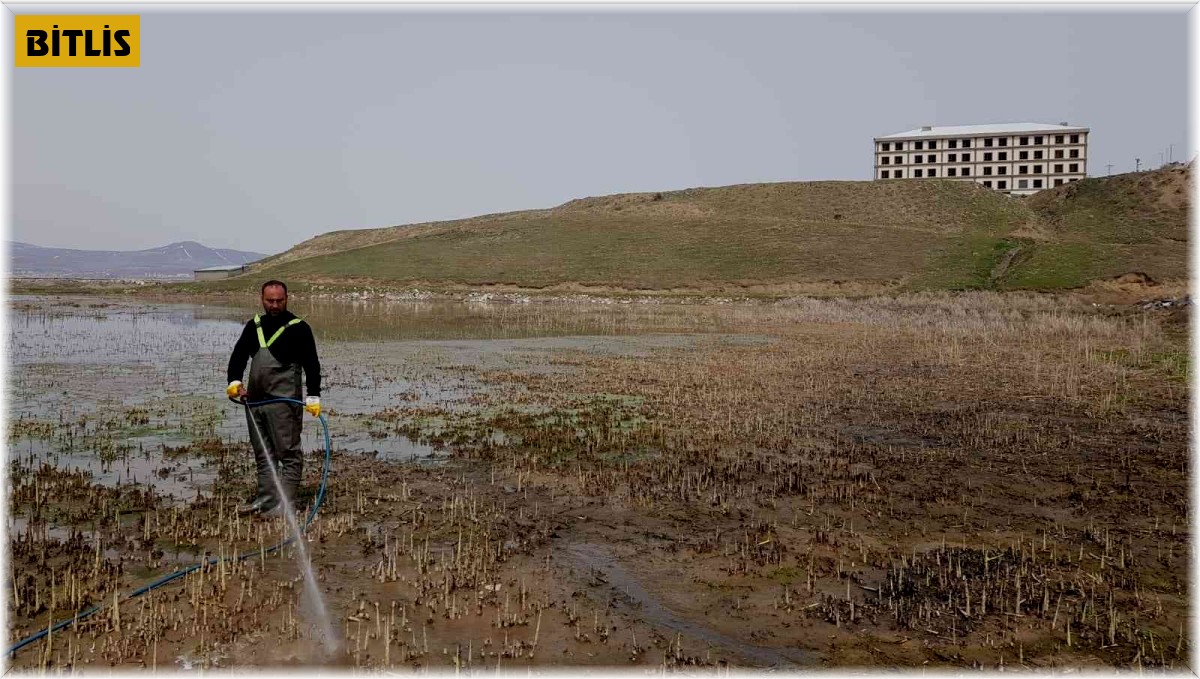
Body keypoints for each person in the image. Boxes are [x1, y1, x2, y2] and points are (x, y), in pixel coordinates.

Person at [226, 280, 323, 516]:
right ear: (262, 300)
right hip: (254, 403)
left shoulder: (299, 328)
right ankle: (266, 500)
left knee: (289, 455)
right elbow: (238, 356)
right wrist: (235, 381)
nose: (275, 305)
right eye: (270, 301)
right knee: (263, 455)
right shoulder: (254, 326)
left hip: (284, 405)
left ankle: (285, 505)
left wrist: (313, 395)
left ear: (287, 299)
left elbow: (312, 365)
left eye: (280, 300)